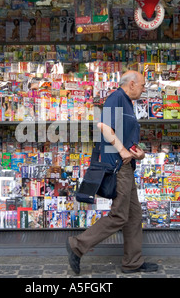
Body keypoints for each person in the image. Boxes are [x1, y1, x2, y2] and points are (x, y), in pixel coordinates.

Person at [66, 70, 158, 274]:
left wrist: (137, 152)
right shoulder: (116, 98)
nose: (144, 89)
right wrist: (123, 150)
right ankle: (78, 245)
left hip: (127, 165)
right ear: (132, 84)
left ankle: (132, 262)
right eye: (142, 85)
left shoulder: (127, 103)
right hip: (118, 167)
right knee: (119, 216)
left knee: (134, 216)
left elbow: (122, 135)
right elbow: (105, 127)